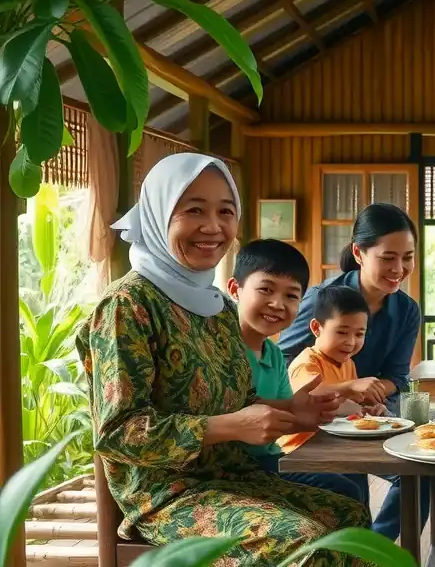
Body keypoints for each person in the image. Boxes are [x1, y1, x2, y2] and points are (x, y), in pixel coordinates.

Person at [76, 153, 370, 566]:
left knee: (348, 518)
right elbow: (118, 431)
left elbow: (243, 404)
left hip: (233, 478)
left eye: (226, 211)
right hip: (168, 495)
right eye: (193, 209)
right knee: (299, 541)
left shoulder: (218, 308)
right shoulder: (129, 305)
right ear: (159, 215)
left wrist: (294, 410)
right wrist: (230, 426)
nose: (213, 227)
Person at [277, 202, 429, 541]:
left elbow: (398, 377)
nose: (400, 268)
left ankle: (376, 550)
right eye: (388, 258)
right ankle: (362, 551)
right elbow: (282, 364)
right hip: (316, 412)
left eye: (408, 257)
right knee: (350, 484)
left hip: (372, 410)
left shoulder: (407, 310)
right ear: (359, 253)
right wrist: (348, 388)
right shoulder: (323, 299)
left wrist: (371, 394)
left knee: (420, 472)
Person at [226, 239, 366, 505]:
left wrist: (311, 415)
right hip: (233, 469)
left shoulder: (276, 356)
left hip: (269, 459)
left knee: (348, 490)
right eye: (266, 289)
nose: (278, 304)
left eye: (291, 295)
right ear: (235, 289)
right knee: (343, 494)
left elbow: (285, 420)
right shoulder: (223, 348)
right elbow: (233, 409)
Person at [278, 284, 389, 457]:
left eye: (359, 334)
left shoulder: (347, 363)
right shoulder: (306, 363)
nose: (351, 342)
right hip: (300, 450)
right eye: (342, 332)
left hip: (334, 444)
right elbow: (311, 395)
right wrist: (350, 386)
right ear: (316, 328)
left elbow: (350, 404)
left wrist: (369, 411)